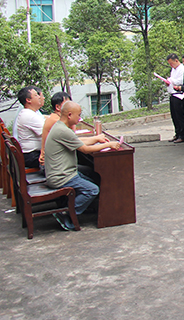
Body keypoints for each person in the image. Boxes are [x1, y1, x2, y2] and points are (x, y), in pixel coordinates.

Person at [44, 101, 121, 230]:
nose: (79, 118)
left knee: (91, 174)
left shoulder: (60, 127)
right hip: (61, 177)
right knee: (92, 189)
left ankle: (88, 207)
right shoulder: (62, 131)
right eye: (78, 115)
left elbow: (77, 140)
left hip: (62, 172)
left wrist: (96, 139)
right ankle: (67, 213)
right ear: (69, 115)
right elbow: (85, 149)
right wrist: (109, 144)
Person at [14, 86, 45, 169]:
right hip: (32, 156)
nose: (39, 97)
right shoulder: (29, 115)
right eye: (36, 95)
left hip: (30, 154)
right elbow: (49, 132)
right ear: (28, 100)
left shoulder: (29, 113)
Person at [39, 91, 71, 165]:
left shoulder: (54, 117)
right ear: (58, 107)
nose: (71, 106)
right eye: (67, 104)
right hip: (52, 164)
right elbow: (73, 137)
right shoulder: (56, 121)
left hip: (53, 160)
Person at [166, 53, 184, 143]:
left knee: (179, 115)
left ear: (176, 60)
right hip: (172, 93)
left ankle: (182, 134)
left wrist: (171, 81)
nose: (171, 65)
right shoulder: (173, 70)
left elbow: (181, 81)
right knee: (174, 115)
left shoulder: (182, 69)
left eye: (172, 63)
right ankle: (177, 133)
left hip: (179, 94)